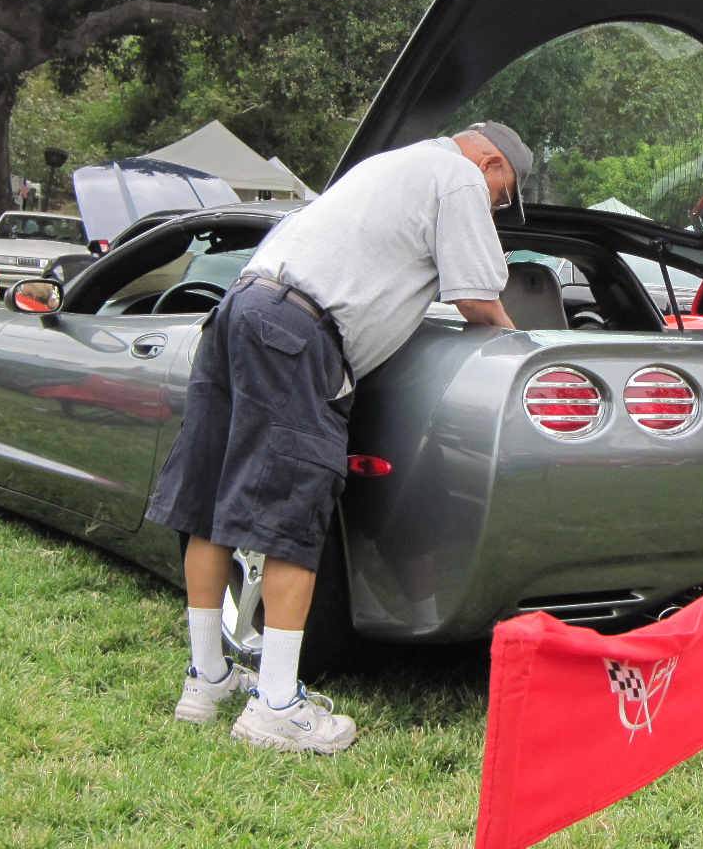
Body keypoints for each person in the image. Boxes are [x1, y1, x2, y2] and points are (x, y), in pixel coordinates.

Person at [144, 120, 531, 754]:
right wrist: (524, 343)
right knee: (293, 514)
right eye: (502, 194)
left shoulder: (389, 166)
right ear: (489, 162)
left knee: (209, 504)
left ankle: (207, 678)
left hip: (242, 309)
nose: (494, 206)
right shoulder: (457, 175)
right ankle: (274, 707)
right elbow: (478, 301)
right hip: (297, 335)